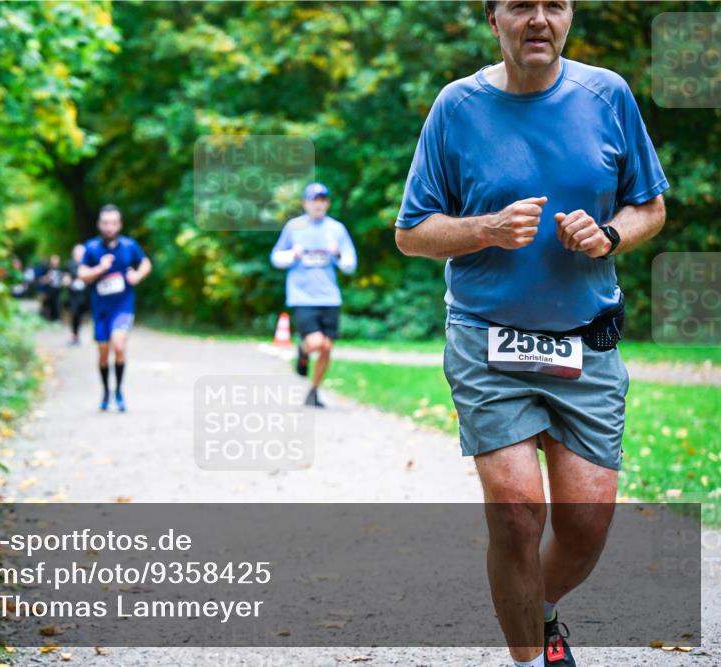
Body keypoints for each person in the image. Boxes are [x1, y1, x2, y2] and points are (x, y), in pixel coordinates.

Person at [394, 2, 668, 665]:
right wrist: (484, 228)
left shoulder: (607, 95)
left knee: (586, 524)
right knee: (518, 511)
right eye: (521, 5)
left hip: (586, 338)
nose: (539, 19)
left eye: (555, 4)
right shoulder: (457, 108)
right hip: (488, 341)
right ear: (494, 19)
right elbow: (411, 232)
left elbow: (650, 206)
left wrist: (607, 236)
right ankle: (531, 654)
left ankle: (536, 608)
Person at [270, 182, 357, 407]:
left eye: (322, 200)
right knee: (316, 342)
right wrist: (293, 254)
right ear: (305, 203)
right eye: (313, 200)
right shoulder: (294, 227)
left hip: (330, 297)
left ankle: (314, 391)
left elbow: (350, 264)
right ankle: (303, 349)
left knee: (327, 347)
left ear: (327, 204)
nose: (318, 204)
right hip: (303, 296)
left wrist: (337, 254)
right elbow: (276, 258)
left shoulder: (336, 229)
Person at [78, 205, 152, 411]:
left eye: (113, 223)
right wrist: (99, 269)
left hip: (123, 306)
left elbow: (146, 263)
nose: (109, 227)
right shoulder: (91, 248)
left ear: (119, 224)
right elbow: (82, 275)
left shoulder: (129, 246)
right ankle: (105, 392)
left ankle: (119, 391)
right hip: (101, 310)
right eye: (105, 223)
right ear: (99, 225)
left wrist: (138, 275)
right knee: (103, 353)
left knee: (119, 346)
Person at [64, 243, 89, 345]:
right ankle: (74, 335)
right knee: (75, 314)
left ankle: (78, 334)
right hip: (73, 295)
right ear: (74, 252)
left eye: (82, 251)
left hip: (85, 294)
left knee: (81, 315)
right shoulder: (69, 264)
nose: (80, 253)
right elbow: (65, 278)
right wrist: (66, 281)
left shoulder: (87, 264)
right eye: (78, 251)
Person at [39, 254, 64, 322]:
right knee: (49, 304)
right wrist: (46, 279)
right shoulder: (47, 269)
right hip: (49, 290)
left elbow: (63, 279)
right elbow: (41, 280)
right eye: (53, 259)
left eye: (56, 259)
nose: (55, 261)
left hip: (58, 290)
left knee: (57, 304)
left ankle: (57, 318)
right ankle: (49, 318)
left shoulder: (61, 269)